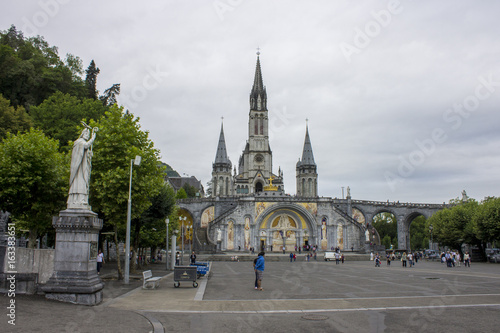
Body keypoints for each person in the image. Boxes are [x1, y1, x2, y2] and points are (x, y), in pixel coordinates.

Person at [67, 126, 96, 209]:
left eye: (89, 134)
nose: (87, 135)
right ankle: (77, 200)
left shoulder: (82, 143)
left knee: (83, 182)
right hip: (78, 169)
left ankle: (82, 199)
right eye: (86, 133)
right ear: (82, 133)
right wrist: (93, 138)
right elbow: (86, 146)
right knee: (79, 182)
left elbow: (85, 152)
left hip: (83, 167)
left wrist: (89, 155)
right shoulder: (79, 142)